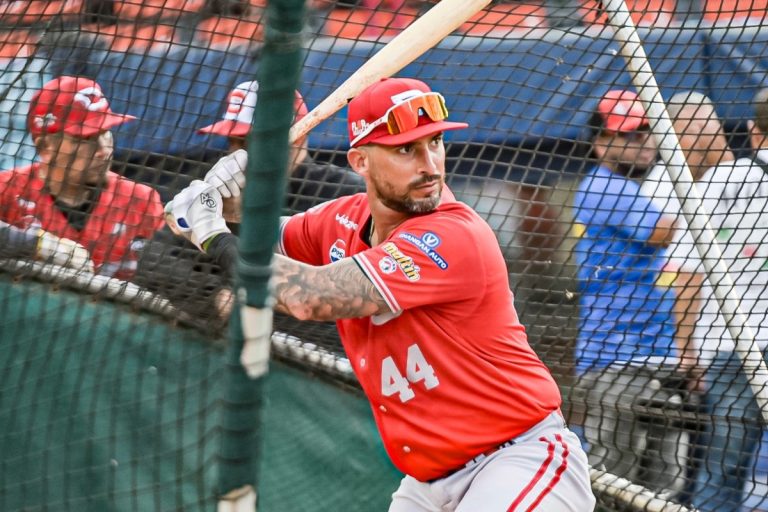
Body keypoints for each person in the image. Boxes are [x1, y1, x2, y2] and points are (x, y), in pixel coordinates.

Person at [165, 77, 596, 511]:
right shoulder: (342, 219)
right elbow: (255, 232)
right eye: (405, 149)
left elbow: (307, 297)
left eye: (434, 143)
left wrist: (213, 235)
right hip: (428, 481)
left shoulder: (451, 235)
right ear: (361, 161)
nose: (429, 165)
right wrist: (216, 200)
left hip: (516, 458)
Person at [134, 80, 364, 329]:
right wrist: (215, 296)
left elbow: (348, 295)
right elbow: (153, 258)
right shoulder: (219, 185)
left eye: (250, 141)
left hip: (313, 347)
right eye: (233, 141)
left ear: (298, 138)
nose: (239, 154)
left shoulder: (345, 194)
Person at [651, 90, 768, 512]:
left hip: (731, 347)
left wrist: (686, 352)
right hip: (734, 348)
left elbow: (687, 275)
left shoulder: (719, 182)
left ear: (751, 131)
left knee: (721, 469)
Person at [572, 89, 690, 496]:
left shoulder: (639, 188)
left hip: (658, 357)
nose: (644, 142)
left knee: (665, 487)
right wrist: (704, 185)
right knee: (613, 484)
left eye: (646, 131)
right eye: (629, 135)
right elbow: (662, 233)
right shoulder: (603, 186)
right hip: (616, 361)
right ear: (601, 142)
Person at [0, 76, 165, 280]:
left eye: (105, 132)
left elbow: (171, 275)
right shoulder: (6, 190)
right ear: (45, 147)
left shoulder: (141, 200)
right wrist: (36, 244)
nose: (103, 151)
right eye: (85, 139)